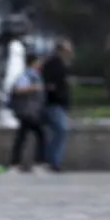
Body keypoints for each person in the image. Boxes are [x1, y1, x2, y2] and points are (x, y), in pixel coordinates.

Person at [7, 52, 47, 173]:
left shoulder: (33, 74)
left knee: (22, 136)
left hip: (29, 112)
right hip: (28, 112)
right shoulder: (28, 75)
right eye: (38, 62)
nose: (40, 64)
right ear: (33, 63)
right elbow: (18, 89)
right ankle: (37, 163)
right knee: (40, 135)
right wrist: (33, 88)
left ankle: (15, 163)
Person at [40, 38, 74, 172]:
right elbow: (49, 83)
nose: (70, 52)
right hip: (54, 104)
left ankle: (52, 160)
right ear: (61, 50)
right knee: (61, 130)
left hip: (59, 104)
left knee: (58, 131)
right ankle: (53, 161)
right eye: (68, 49)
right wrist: (56, 93)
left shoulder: (61, 64)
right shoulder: (53, 64)